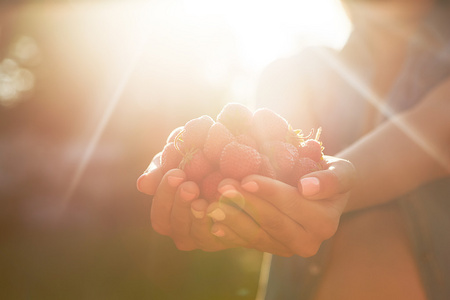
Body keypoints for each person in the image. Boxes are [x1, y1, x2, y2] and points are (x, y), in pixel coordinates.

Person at [137, 0, 450, 299]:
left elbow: (436, 133)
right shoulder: (293, 73)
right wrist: (231, 199)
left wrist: (322, 187)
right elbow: (277, 160)